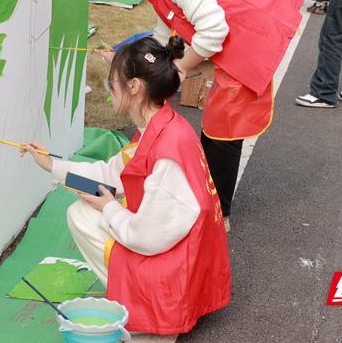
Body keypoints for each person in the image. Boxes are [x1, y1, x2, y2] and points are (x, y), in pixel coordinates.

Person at [94, 0, 302, 230]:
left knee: (223, 128)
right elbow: (163, 33)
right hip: (236, 33)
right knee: (217, 127)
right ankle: (211, 203)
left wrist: (181, 67)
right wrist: (129, 63)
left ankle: (219, 216)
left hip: (251, 32)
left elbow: (214, 31)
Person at [22, 37, 231, 335]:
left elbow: (145, 237)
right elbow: (110, 176)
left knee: (85, 215)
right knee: (87, 207)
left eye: (112, 81)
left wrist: (108, 207)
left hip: (176, 278)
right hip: (184, 261)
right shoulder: (160, 126)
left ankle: (143, 307)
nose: (109, 89)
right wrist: (51, 165)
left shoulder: (166, 150)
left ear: (134, 86)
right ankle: (140, 295)